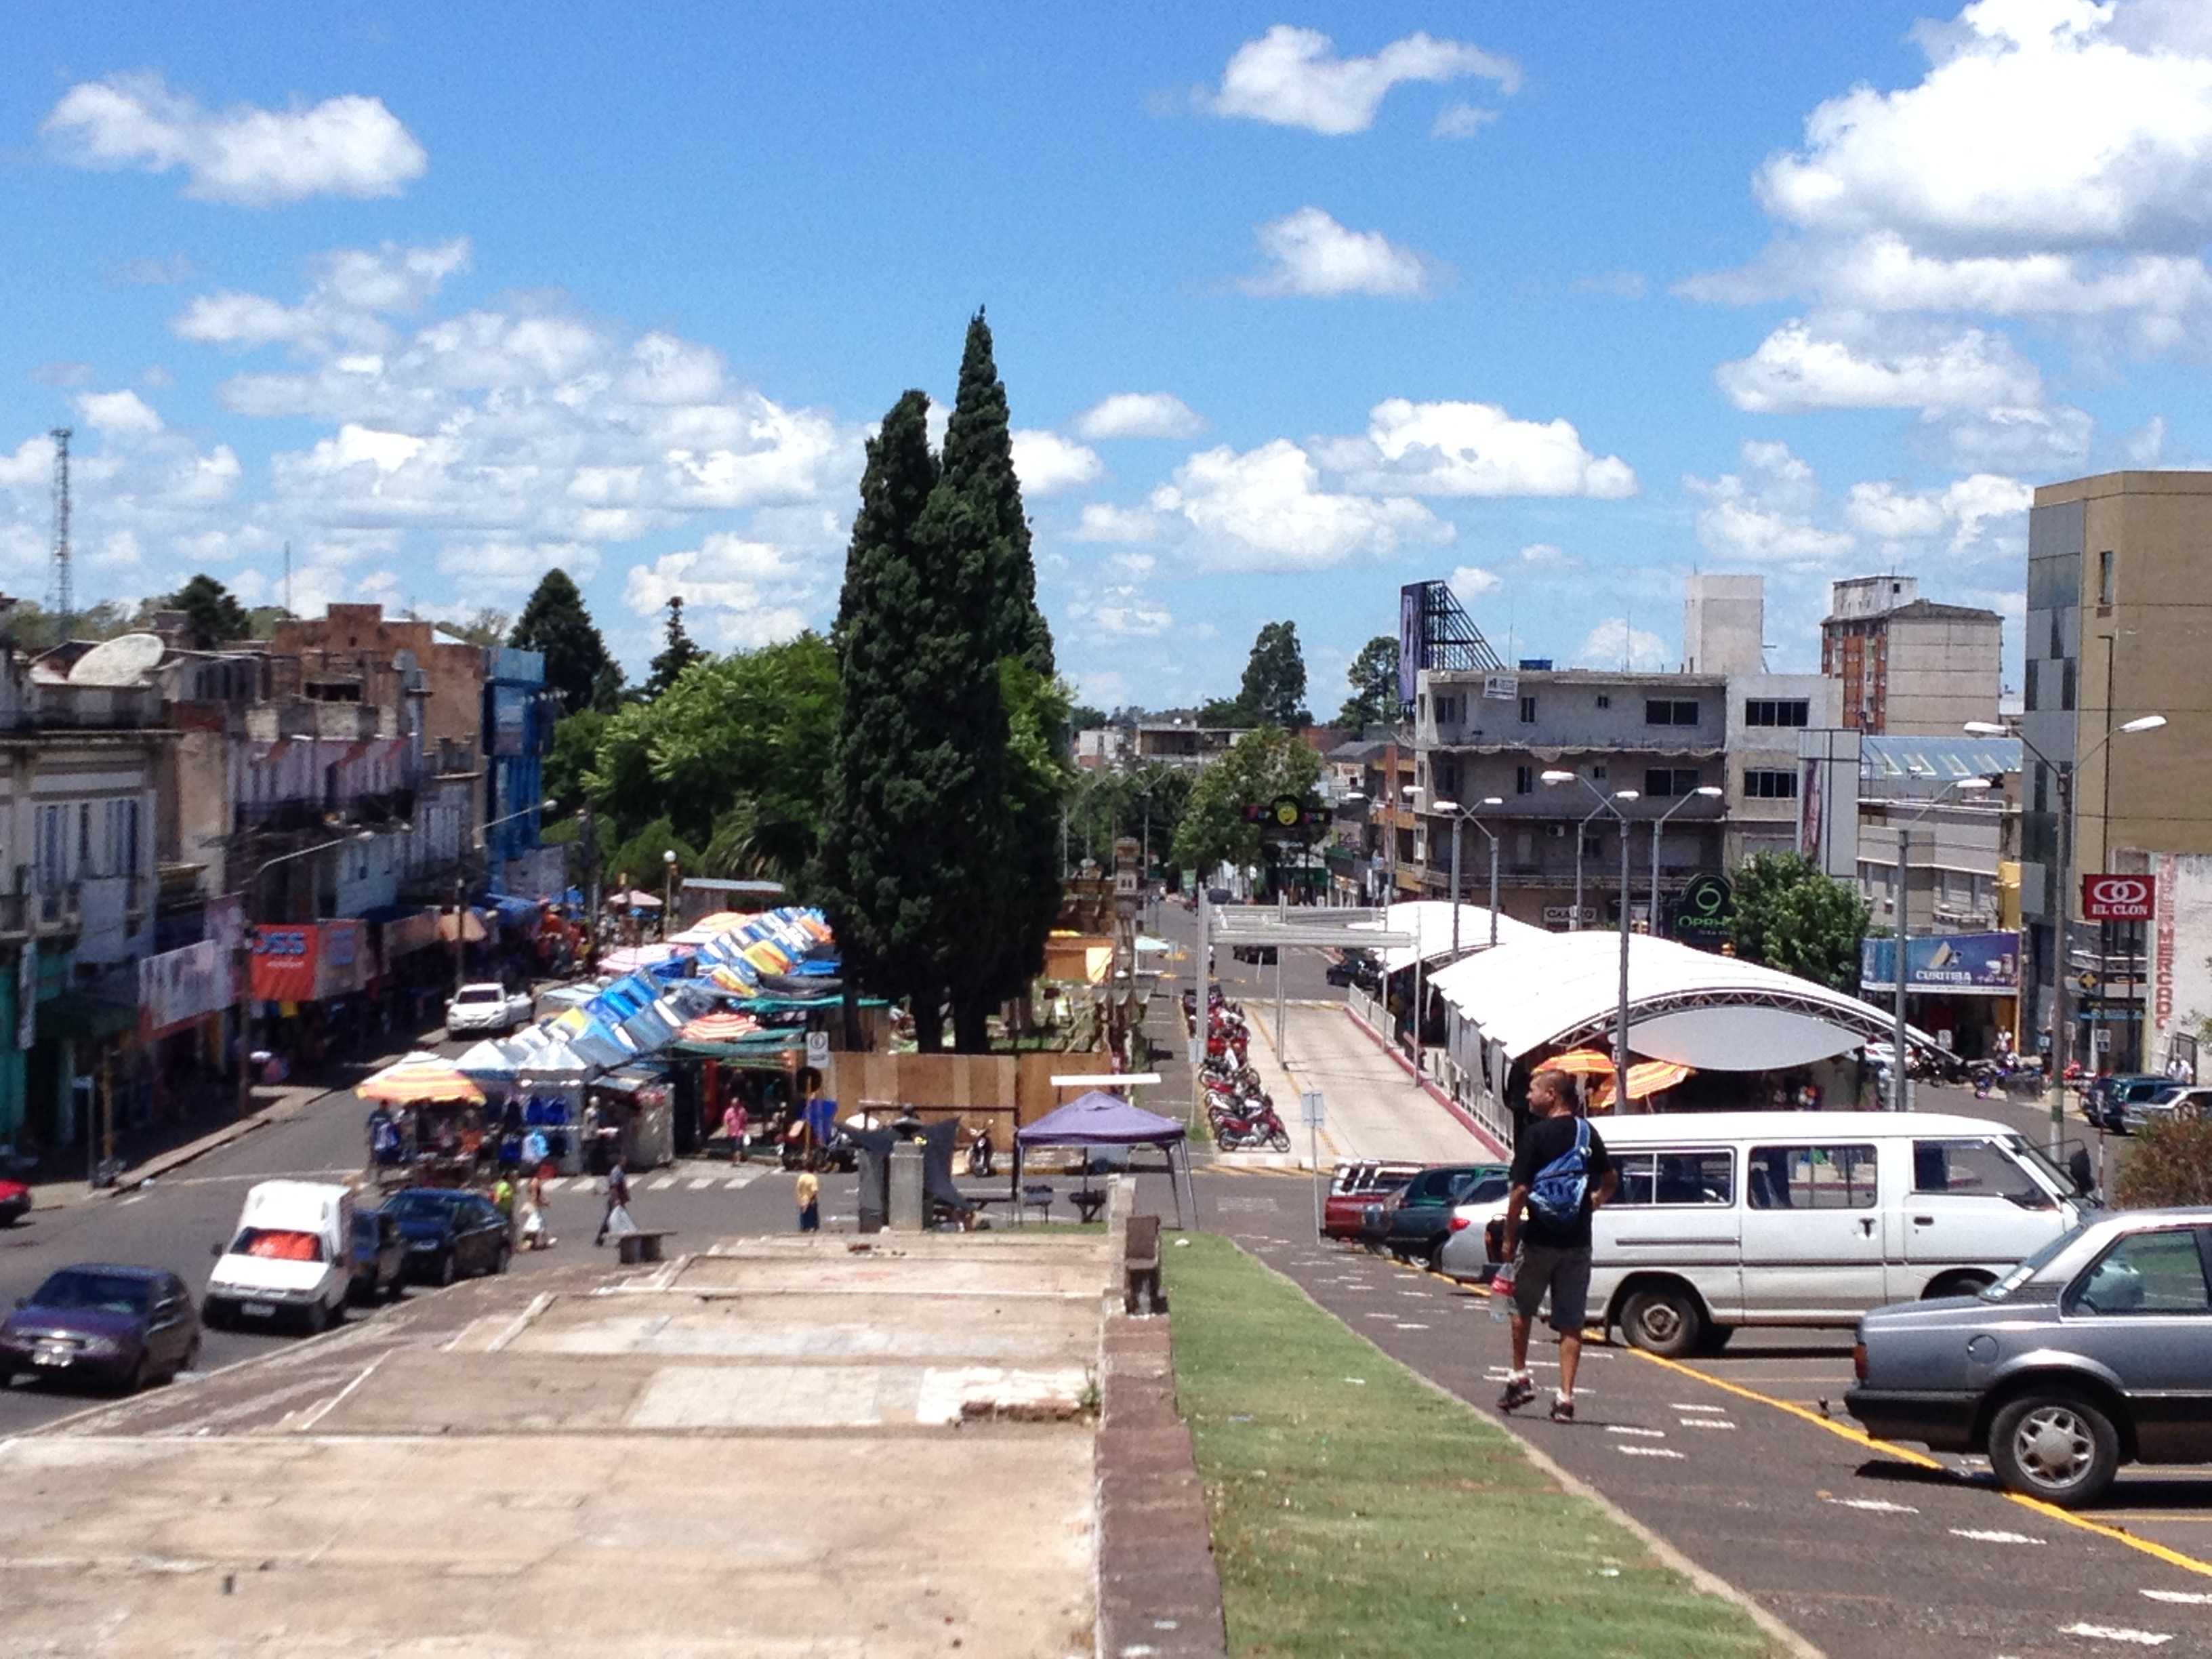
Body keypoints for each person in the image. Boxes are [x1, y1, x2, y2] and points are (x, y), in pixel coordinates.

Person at [1496, 1068, 1617, 1425]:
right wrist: (1594, 1201)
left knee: (1521, 1309)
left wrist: (1509, 1235)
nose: (1528, 1096)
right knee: (1571, 1323)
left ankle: (1519, 1376)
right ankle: (1566, 1398)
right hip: (1578, 1242)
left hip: (1539, 1240)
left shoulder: (1534, 1135)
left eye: (1533, 1090)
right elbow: (1610, 1179)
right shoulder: (1586, 1132)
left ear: (1551, 1095)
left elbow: (1519, 1191)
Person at [595, 1159, 630, 1246]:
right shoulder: (616, 1171)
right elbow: (614, 1187)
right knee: (615, 1220)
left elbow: (622, 1186)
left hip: (619, 1200)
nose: (626, 1162)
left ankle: (602, 1239)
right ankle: (602, 1239)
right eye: (624, 1161)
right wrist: (617, 1199)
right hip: (615, 1200)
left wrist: (626, 1197)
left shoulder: (620, 1171)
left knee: (619, 1220)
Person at [722, 1099, 749, 1164]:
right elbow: (726, 1120)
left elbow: (745, 1120)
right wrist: (727, 1129)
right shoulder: (729, 1111)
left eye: (736, 1104)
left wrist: (745, 1129)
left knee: (738, 1146)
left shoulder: (742, 1111)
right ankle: (734, 1160)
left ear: (738, 1103)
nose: (735, 1105)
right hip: (731, 1132)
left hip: (740, 1132)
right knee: (733, 1147)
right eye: (733, 1104)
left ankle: (737, 1160)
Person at [794, 1167, 820, 1233]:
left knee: (803, 1215)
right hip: (811, 1200)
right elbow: (814, 1191)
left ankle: (804, 1229)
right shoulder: (813, 1178)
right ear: (813, 1170)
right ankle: (812, 1229)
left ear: (806, 1169)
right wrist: (812, 1200)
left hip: (803, 1200)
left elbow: (798, 1189)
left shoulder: (801, 1177)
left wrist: (799, 1199)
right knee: (812, 1217)